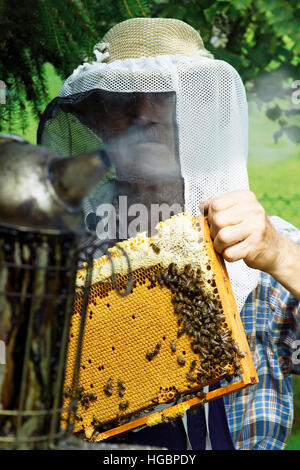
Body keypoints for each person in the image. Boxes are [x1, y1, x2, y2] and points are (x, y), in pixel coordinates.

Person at [37, 17, 300, 450]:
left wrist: (281, 256)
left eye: (165, 96)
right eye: (124, 98)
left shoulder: (261, 242)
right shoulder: (59, 255)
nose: (144, 111)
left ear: (199, 109)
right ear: (98, 120)